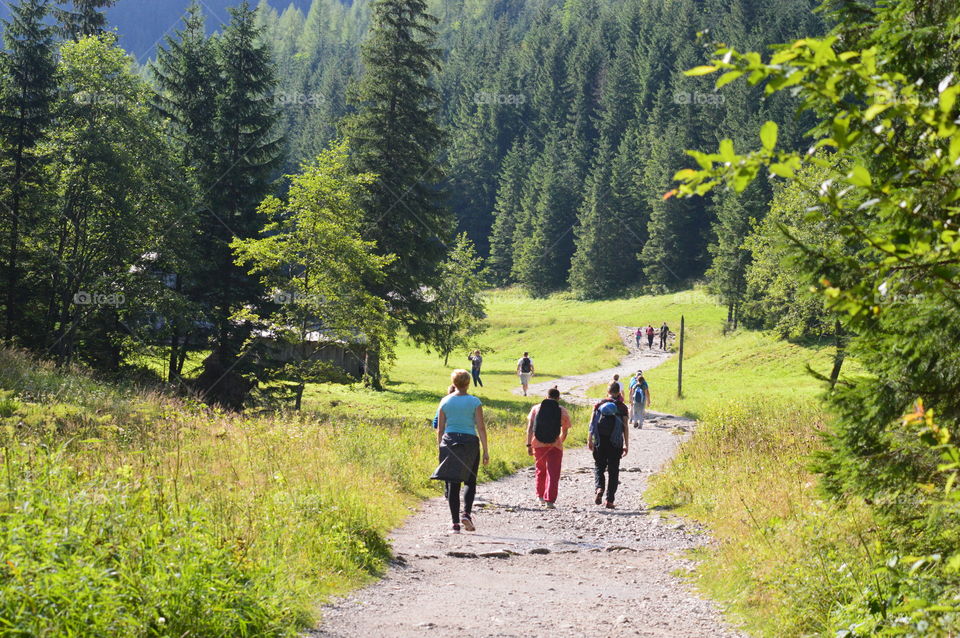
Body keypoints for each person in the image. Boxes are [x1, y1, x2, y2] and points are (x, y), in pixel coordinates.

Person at [431, 370, 489, 534]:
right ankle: (467, 514)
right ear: (468, 383)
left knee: (452, 482)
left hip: (450, 441)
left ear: (453, 382)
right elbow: (481, 427)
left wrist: (440, 448)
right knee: (470, 481)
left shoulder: (445, 401)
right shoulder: (475, 402)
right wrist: (485, 450)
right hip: (470, 442)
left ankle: (455, 524)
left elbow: (440, 429)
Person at [525, 387, 572, 508]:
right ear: (558, 398)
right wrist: (558, 441)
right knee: (553, 473)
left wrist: (529, 444)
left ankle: (540, 497)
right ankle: (549, 501)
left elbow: (530, 428)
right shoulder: (562, 410)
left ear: (546, 397)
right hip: (555, 446)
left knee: (540, 470)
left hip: (537, 444)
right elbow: (565, 431)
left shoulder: (536, 408)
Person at [589, 383, 629, 508]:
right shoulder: (622, 407)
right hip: (615, 443)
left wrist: (589, 439)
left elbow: (591, 423)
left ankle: (599, 488)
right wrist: (626, 444)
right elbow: (625, 426)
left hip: (600, 441)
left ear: (608, 391)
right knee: (613, 470)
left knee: (599, 466)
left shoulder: (599, 404)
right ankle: (609, 500)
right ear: (619, 392)